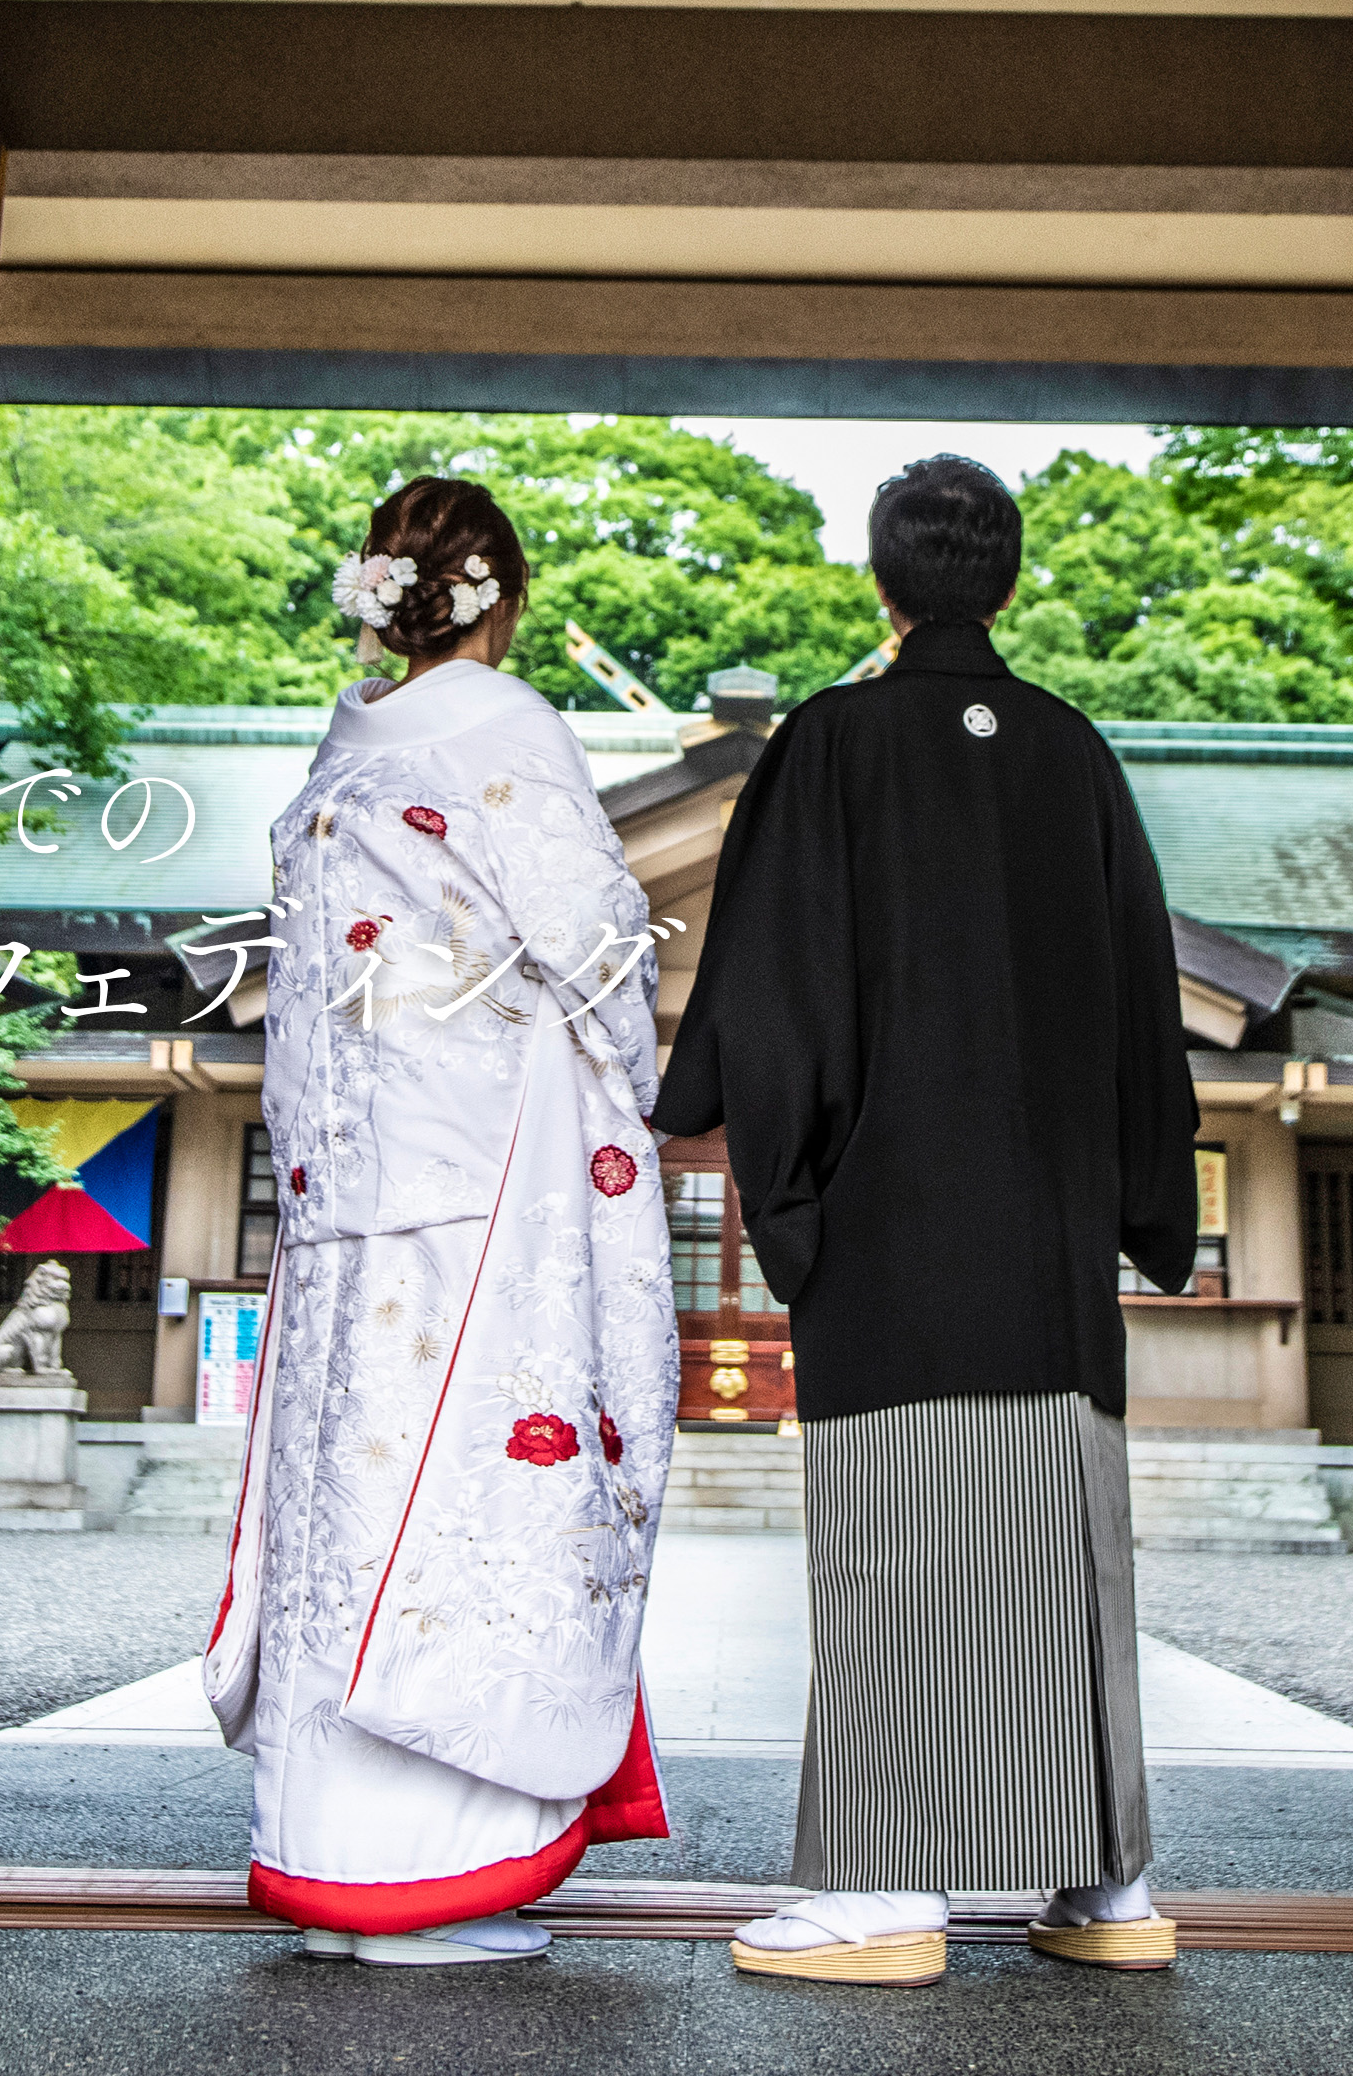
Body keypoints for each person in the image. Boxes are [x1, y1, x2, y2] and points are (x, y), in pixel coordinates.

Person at [656, 455, 1201, 1986]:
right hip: (1047, 1243)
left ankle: (885, 1890)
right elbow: (1139, 1002)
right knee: (1067, 1546)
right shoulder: (1071, 752)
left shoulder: (834, 744)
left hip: (896, 1225)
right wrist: (1142, 1202)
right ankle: (1109, 1887)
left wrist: (774, 1169)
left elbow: (774, 993)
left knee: (900, 1547)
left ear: (885, 587)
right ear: (1006, 584)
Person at [208, 476, 680, 1968]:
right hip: (489, 1173)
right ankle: (435, 1869)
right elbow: (598, 946)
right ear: (505, 596)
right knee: (475, 1484)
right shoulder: (509, 733)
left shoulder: (336, 761)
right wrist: (647, 1095)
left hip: (353, 1176)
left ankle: (331, 1856)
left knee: (348, 1489)